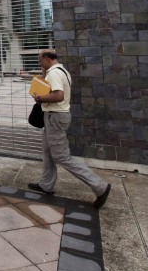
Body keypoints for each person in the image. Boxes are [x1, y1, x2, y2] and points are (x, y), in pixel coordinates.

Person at [29, 49, 111, 209]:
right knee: (47, 151)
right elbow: (52, 86)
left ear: (46, 59)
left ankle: (100, 186)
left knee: (62, 157)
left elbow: (58, 95)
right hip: (55, 116)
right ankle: (46, 184)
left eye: (40, 61)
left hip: (55, 117)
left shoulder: (54, 73)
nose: (40, 64)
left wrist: (40, 98)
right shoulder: (61, 70)